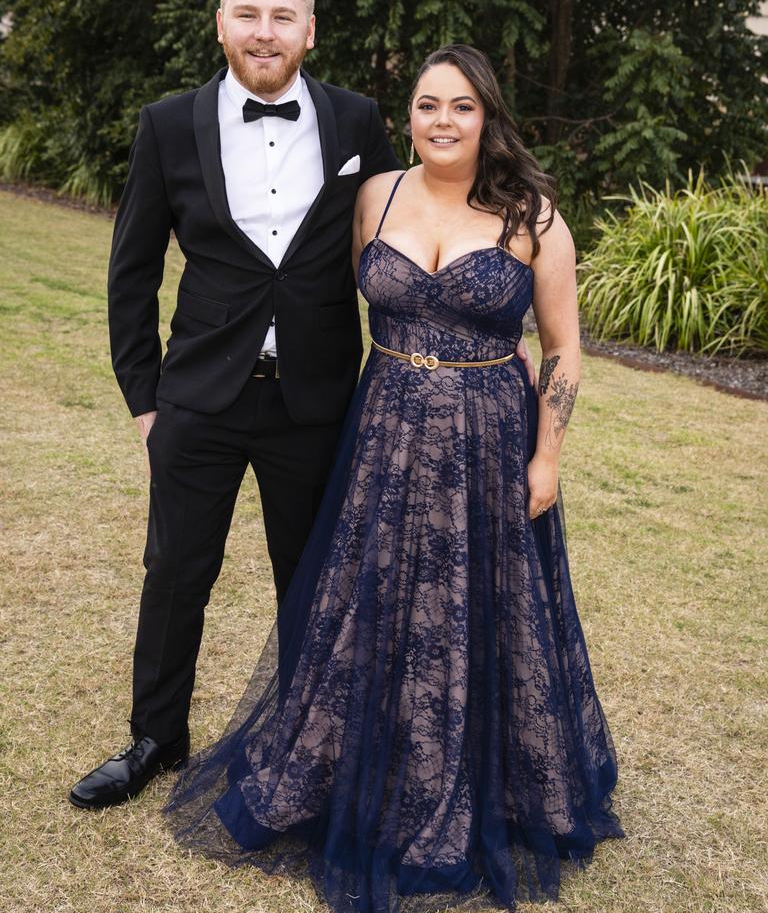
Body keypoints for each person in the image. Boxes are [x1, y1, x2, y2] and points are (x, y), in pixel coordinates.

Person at [67, 0, 537, 812]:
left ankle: (307, 747)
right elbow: (129, 275)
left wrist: (490, 327)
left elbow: (411, 222)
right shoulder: (169, 125)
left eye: (283, 17)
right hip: (198, 397)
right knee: (175, 571)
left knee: (319, 578)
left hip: (318, 401)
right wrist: (145, 401)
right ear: (222, 24)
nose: (265, 32)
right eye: (249, 15)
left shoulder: (358, 122)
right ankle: (153, 740)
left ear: (309, 30)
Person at [163, 44, 623, 912]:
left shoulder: (534, 214)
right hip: (381, 431)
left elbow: (563, 348)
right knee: (373, 605)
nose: (442, 121)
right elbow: (326, 299)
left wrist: (547, 457)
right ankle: (347, 769)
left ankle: (473, 786)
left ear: (488, 117)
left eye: (460, 106)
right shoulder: (377, 194)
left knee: (480, 611)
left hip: (489, 436)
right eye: (425, 105)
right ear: (407, 116)